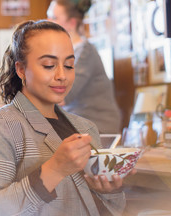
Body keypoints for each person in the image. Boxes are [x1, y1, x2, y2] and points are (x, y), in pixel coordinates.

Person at [0, 20, 132, 216]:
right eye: (49, 65)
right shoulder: (1, 124)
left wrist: (107, 190)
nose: (62, 75)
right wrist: (54, 170)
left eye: (69, 65)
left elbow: (106, 214)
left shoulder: (85, 127)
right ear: (21, 69)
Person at [47, 0, 121, 134]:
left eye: (54, 17)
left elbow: (63, 95)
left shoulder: (84, 52)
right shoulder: (63, 54)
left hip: (98, 127)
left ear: (72, 23)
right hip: (77, 124)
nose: (48, 21)